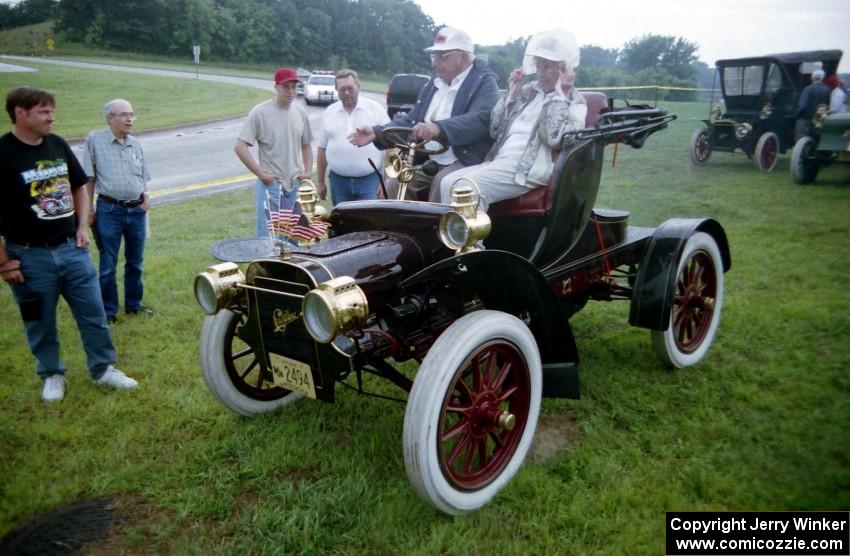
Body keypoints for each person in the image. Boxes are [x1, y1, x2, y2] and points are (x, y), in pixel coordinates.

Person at [0, 86, 138, 402]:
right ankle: (51, 374)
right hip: (28, 256)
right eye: (43, 111)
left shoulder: (57, 144)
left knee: (93, 314)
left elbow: (79, 186)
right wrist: (4, 262)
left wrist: (82, 225)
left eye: (51, 110)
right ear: (20, 113)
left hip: (71, 249)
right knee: (40, 321)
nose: (52, 117)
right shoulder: (3, 154)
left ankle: (103, 368)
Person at [438, 29, 587, 214]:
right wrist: (511, 95)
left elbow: (554, 139)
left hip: (529, 169)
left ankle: (471, 242)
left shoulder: (574, 101)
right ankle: (454, 240)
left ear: (564, 70)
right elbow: (494, 130)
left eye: (547, 67)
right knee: (447, 182)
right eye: (538, 66)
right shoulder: (527, 92)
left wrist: (560, 94)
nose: (540, 73)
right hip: (499, 161)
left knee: (468, 188)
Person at [349, 26, 500, 201]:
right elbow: (411, 121)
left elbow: (481, 120)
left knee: (443, 184)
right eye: (434, 56)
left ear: (464, 56)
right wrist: (376, 132)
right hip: (431, 160)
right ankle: (398, 228)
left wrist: (439, 128)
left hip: (464, 160)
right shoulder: (434, 84)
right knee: (395, 184)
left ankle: (437, 228)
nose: (435, 63)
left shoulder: (485, 83)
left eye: (443, 57)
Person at [83, 98, 152, 324]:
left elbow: (143, 175)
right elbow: (89, 178)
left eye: (131, 114)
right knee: (108, 264)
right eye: (123, 114)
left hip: (136, 211)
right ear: (109, 118)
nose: (129, 119)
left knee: (135, 262)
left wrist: (146, 197)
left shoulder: (136, 143)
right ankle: (109, 311)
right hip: (109, 210)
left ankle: (134, 305)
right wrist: (89, 208)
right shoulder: (95, 140)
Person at [235, 67, 313, 237]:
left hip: (294, 184)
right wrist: (261, 174)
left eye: (294, 86)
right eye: (286, 87)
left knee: (294, 236)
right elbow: (240, 147)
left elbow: (306, 144)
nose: (291, 91)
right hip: (271, 184)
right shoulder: (260, 113)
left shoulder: (300, 111)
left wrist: (307, 171)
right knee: (268, 237)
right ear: (276, 87)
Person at [316, 69, 390, 204]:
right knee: (343, 222)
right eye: (342, 89)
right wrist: (320, 182)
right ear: (336, 89)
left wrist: (386, 180)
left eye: (350, 88)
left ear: (358, 85)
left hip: (370, 180)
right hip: (338, 182)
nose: (346, 93)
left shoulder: (375, 109)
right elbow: (322, 148)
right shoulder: (329, 112)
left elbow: (390, 145)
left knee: (368, 221)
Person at [795, 69, 831, 140]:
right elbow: (827, 106)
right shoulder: (827, 90)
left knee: (802, 140)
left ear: (812, 78)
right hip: (819, 119)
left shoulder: (807, 89)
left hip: (806, 119)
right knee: (817, 140)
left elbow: (802, 106)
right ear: (822, 78)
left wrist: (797, 115)